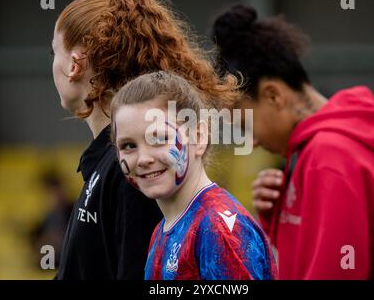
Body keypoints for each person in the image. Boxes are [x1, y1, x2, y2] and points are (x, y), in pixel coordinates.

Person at [211, 4, 374, 279]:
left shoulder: (329, 156)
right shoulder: (361, 136)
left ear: (273, 95)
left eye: (246, 127)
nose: (253, 143)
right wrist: (281, 213)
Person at [51, 0, 237, 279]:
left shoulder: (136, 172)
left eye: (54, 52)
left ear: (74, 64)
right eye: (127, 146)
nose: (141, 157)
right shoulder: (109, 164)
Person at [111, 71, 277, 280]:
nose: (143, 159)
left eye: (159, 138)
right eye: (128, 146)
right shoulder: (163, 230)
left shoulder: (216, 228)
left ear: (198, 138)